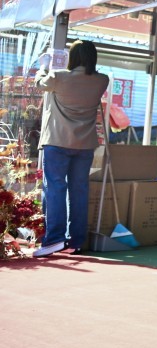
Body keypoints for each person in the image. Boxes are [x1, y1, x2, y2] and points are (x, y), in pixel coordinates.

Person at [33, 40, 109, 257]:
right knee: (79, 190)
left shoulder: (59, 77)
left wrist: (44, 67)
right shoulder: (102, 80)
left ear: (72, 58)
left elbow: (40, 83)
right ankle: (76, 240)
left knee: (56, 188)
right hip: (85, 144)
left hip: (57, 141)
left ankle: (54, 239)